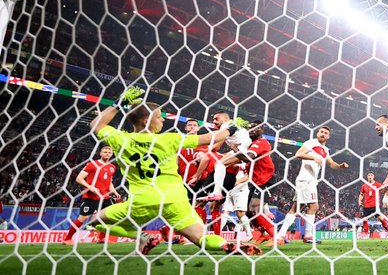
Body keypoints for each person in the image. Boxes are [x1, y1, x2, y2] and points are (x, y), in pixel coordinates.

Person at [88, 86, 261, 256]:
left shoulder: (120, 139)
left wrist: (120, 103)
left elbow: (95, 124)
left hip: (141, 202)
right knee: (202, 238)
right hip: (174, 200)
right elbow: (211, 138)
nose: (163, 120)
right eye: (159, 117)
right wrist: (231, 127)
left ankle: (142, 236)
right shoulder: (170, 139)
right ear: (146, 120)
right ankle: (224, 245)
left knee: (96, 220)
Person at [275, 126, 349, 244]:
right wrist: (313, 157)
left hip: (310, 181)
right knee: (313, 207)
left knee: (296, 208)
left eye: (326, 133)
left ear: (328, 137)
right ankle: (308, 236)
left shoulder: (325, 150)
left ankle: (281, 235)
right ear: (317, 133)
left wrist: (340, 166)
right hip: (306, 180)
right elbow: (298, 154)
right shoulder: (311, 143)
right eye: (321, 132)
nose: (323, 134)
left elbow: (331, 164)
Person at [63, 145, 120, 245]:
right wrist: (90, 187)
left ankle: (101, 238)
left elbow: (109, 182)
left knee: (108, 217)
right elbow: (79, 178)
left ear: (112, 154)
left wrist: (115, 192)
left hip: (105, 197)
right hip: (91, 197)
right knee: (83, 218)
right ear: (100, 153)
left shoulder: (112, 167)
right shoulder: (92, 164)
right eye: (105, 152)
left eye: (109, 152)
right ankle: (67, 239)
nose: (107, 153)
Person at [243, 121, 277, 246]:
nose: (251, 130)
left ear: (261, 130)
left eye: (255, 128)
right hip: (256, 181)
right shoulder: (251, 144)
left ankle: (277, 237)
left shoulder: (260, 143)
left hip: (266, 180)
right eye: (249, 128)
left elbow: (248, 157)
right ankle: (264, 235)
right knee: (248, 211)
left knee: (254, 207)